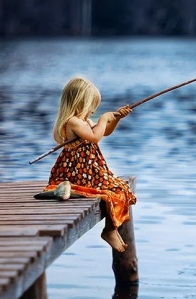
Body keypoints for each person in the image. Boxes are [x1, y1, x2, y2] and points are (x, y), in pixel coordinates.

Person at [42, 76, 136, 252]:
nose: (93, 110)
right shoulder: (72, 122)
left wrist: (115, 118)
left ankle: (111, 229)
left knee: (121, 187)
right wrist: (103, 118)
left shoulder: (83, 121)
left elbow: (104, 132)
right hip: (78, 171)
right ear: (79, 102)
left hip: (90, 169)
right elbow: (94, 137)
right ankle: (109, 230)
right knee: (113, 191)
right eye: (91, 105)